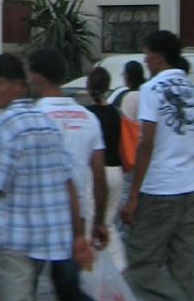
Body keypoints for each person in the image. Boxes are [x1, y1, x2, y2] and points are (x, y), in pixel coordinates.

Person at [0, 53, 92, 301]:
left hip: (15, 238)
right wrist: (78, 234)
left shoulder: (6, 125)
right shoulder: (47, 123)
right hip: (47, 237)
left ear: (18, 86)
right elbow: (68, 183)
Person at [121, 30, 194, 301]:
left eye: (147, 53)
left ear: (158, 57)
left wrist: (134, 195)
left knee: (142, 261)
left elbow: (146, 143)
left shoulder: (152, 89)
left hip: (159, 189)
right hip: (191, 188)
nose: (145, 60)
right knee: (183, 266)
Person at [28, 50, 109, 301]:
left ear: (37, 77)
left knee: (24, 286)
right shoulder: (88, 118)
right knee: (69, 288)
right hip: (76, 216)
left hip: (37, 215)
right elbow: (99, 177)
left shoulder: (33, 117)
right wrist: (99, 221)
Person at [86, 65, 126, 271]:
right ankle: (118, 264)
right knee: (108, 221)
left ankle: (92, 266)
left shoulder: (87, 115)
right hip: (116, 170)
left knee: (92, 221)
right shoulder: (115, 113)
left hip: (95, 173)